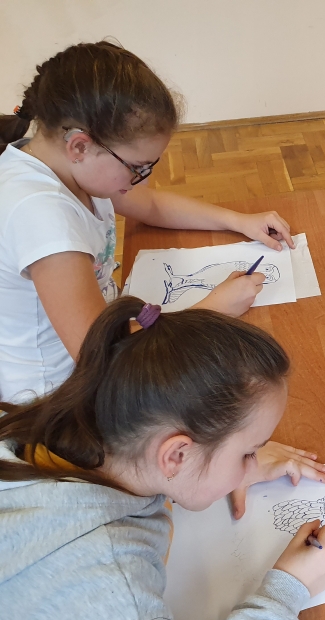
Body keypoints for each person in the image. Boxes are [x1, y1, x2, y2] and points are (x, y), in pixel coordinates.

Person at [0, 297, 325, 620]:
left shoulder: (59, 426)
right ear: (176, 455)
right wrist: (287, 590)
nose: (253, 463)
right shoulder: (110, 598)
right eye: (249, 453)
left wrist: (224, 468)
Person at [0, 41, 296, 403]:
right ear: (79, 146)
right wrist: (213, 309)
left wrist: (238, 220)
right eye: (137, 167)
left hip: (103, 337)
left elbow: (151, 205)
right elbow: (104, 361)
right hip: (59, 398)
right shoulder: (42, 217)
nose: (142, 178)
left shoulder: (62, 163)